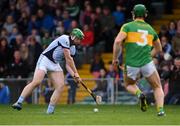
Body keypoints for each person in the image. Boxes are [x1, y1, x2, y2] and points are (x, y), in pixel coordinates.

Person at [12, 28, 84, 114]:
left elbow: (68, 65)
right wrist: (76, 73)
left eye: (80, 39)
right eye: (78, 38)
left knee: (60, 86)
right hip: (45, 60)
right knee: (37, 81)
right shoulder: (64, 38)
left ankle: (50, 111)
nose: (79, 41)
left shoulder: (73, 49)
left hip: (54, 63)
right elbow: (69, 59)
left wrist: (74, 75)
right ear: (73, 37)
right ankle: (19, 102)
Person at [112, 4, 165, 116]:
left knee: (128, 85)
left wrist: (115, 59)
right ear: (145, 14)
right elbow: (159, 48)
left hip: (131, 64)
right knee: (157, 86)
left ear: (133, 14)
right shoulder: (150, 29)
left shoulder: (127, 26)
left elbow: (117, 42)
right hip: (147, 63)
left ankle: (139, 93)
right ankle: (160, 110)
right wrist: (149, 56)